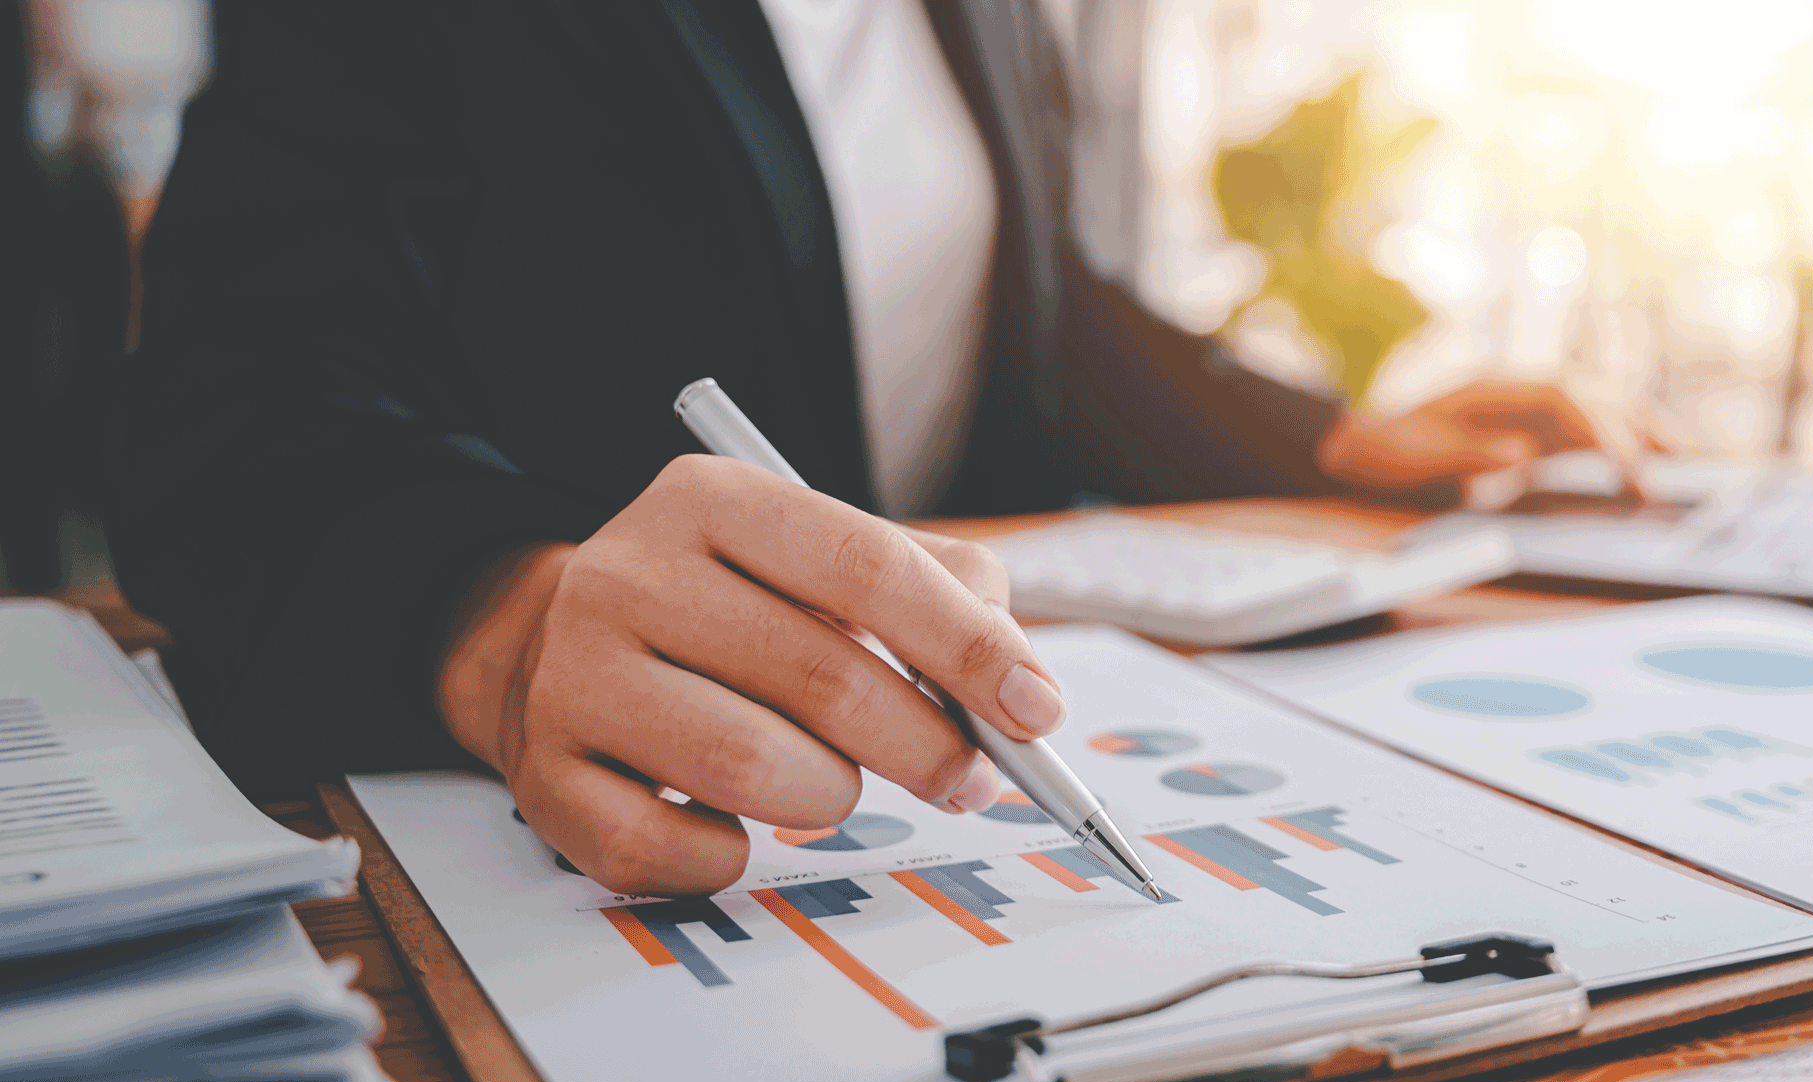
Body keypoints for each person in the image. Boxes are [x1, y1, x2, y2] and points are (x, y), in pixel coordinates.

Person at [113, 1, 1615, 896]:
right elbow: (221, 409)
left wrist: (1328, 433)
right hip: (585, 787)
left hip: (892, 725)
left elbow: (1029, 303)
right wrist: (495, 620)